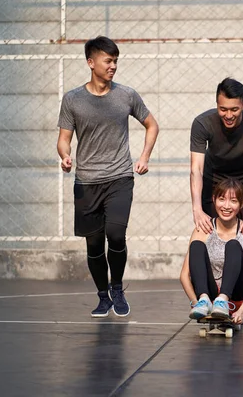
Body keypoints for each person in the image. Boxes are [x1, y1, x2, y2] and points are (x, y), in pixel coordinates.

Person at [57, 36, 159, 318]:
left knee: (115, 234)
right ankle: (103, 296)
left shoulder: (126, 95)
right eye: (108, 60)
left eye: (115, 61)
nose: (113, 65)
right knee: (93, 243)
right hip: (86, 182)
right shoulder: (73, 99)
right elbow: (63, 139)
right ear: (91, 63)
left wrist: (144, 157)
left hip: (120, 177)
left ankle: (117, 287)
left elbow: (152, 125)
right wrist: (65, 156)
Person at [190, 77, 243, 235]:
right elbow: (196, 169)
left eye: (234, 109)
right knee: (210, 234)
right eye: (223, 109)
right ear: (216, 104)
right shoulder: (202, 124)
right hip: (214, 178)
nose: (228, 115)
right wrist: (197, 209)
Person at [180, 178, 243, 323]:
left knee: (233, 245)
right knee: (196, 245)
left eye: (233, 201)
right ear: (214, 200)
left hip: (237, 295)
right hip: (211, 296)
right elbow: (184, 276)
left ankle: (223, 300)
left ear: (241, 204)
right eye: (222, 199)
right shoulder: (203, 229)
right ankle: (204, 300)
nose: (226, 206)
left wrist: (242, 311)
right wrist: (195, 303)